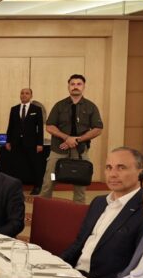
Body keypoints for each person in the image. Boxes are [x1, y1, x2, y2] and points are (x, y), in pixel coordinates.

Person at [61, 147, 143, 278]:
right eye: (109, 167)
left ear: (141, 172)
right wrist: (56, 265)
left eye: (121, 168)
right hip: (74, 275)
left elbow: (135, 266)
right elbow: (79, 244)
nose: (113, 174)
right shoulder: (99, 202)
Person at [40, 74, 103, 204]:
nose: (75, 86)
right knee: (50, 179)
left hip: (80, 151)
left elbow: (98, 129)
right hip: (58, 150)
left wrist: (76, 140)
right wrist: (67, 138)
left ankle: (78, 209)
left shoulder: (90, 106)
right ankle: (44, 207)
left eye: (79, 84)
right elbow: (50, 126)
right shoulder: (59, 105)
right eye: (72, 84)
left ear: (84, 87)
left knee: (80, 183)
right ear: (68, 86)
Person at [5, 88, 45, 194]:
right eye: (22, 93)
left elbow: (40, 128)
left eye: (27, 93)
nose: (24, 95)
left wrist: (40, 143)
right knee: (15, 165)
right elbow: (10, 126)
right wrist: (8, 141)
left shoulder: (37, 109)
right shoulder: (14, 109)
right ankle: (14, 187)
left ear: (31, 96)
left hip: (32, 143)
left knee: (35, 165)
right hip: (16, 142)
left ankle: (37, 186)